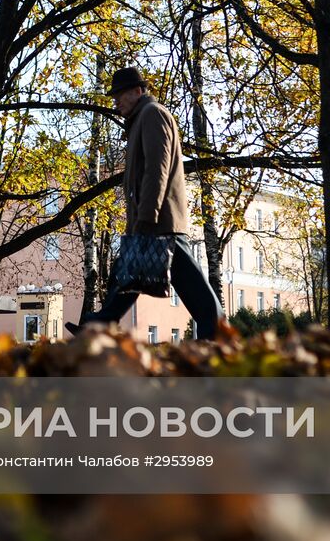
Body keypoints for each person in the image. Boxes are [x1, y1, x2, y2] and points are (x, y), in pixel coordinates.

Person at [66, 66, 222, 341]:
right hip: (153, 220)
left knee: (192, 290)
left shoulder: (152, 115)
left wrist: (147, 217)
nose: (116, 101)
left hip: (161, 223)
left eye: (120, 95)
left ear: (138, 91)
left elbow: (156, 169)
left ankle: (219, 334)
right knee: (128, 273)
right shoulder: (142, 119)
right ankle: (100, 323)